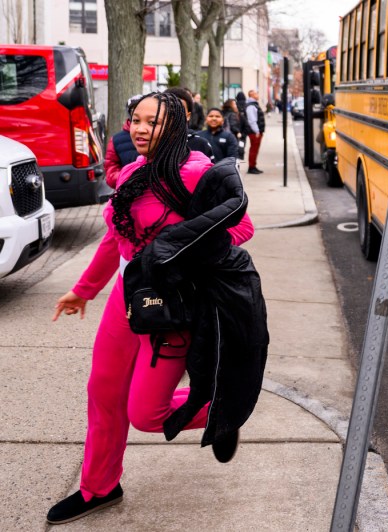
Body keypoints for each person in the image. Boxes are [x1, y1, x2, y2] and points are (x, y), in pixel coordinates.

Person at [46, 92, 260, 525]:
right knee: (103, 395)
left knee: (145, 415)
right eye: (135, 120)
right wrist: (84, 290)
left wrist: (179, 257)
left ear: (177, 127)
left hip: (174, 310)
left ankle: (221, 411)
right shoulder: (130, 173)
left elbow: (241, 227)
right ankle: (99, 487)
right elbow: (115, 238)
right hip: (127, 303)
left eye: (153, 122)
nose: (140, 129)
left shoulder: (199, 173)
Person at [165, 87, 215, 161]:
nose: (174, 113)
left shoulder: (200, 144)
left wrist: (199, 127)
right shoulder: (150, 143)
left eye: (180, 109)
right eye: (170, 108)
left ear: (188, 115)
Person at [103, 95, 142, 188]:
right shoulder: (116, 140)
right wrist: (128, 178)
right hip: (127, 193)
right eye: (134, 110)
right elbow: (110, 171)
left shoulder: (158, 134)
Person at [243, 89, 265, 174]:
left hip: (255, 131)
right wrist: (257, 131)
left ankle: (253, 166)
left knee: (255, 149)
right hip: (254, 132)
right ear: (252, 95)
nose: (258, 95)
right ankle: (251, 167)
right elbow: (252, 120)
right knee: (254, 149)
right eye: (256, 93)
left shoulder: (253, 105)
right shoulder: (251, 106)